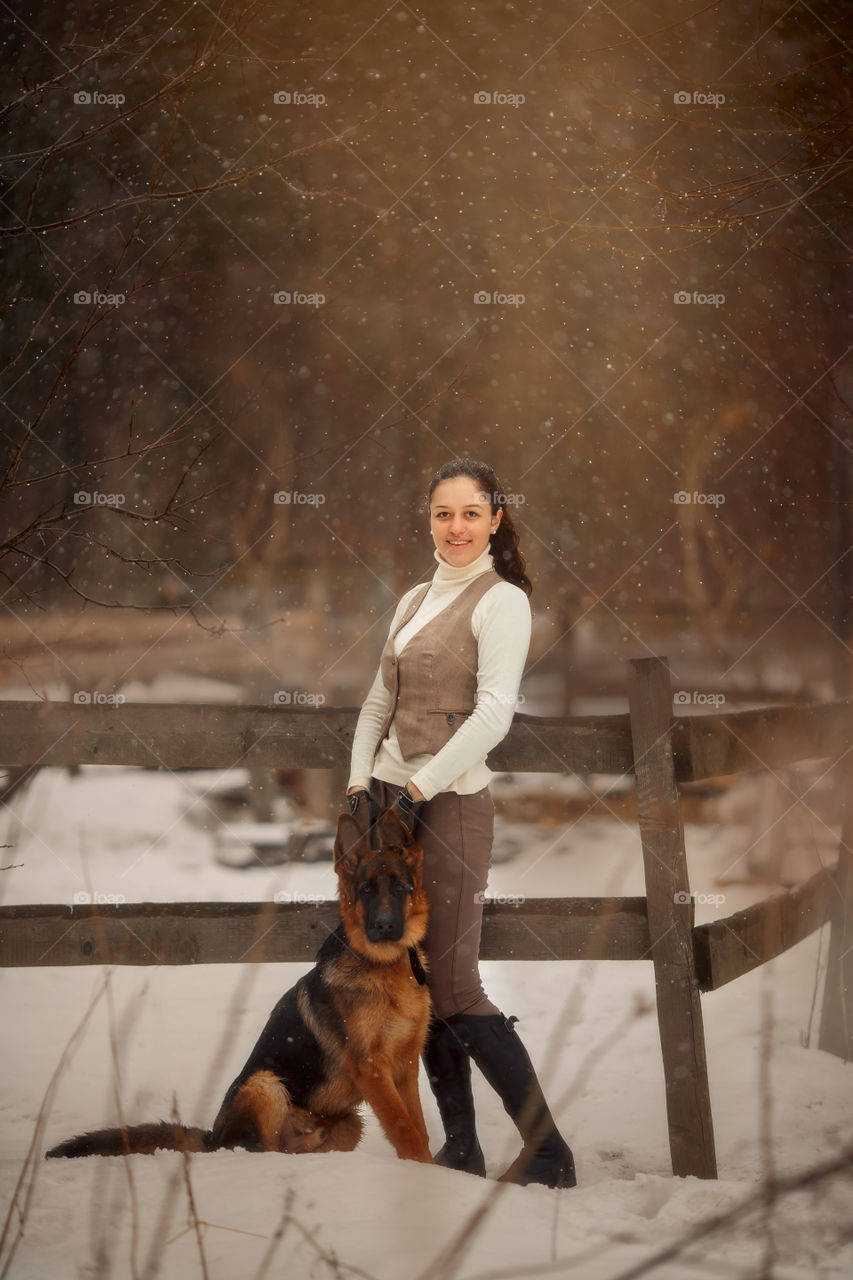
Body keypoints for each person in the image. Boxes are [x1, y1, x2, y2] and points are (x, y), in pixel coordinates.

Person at [345, 457, 576, 1189]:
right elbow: (380, 699)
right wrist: (362, 783)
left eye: (470, 514)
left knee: (455, 986)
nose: (456, 527)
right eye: (443, 513)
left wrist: (420, 785)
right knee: (413, 979)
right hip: (387, 805)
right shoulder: (413, 596)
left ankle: (547, 1151)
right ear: (429, 519)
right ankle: (462, 1148)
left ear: (495, 520)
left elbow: (492, 714)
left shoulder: (501, 601)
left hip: (451, 807)